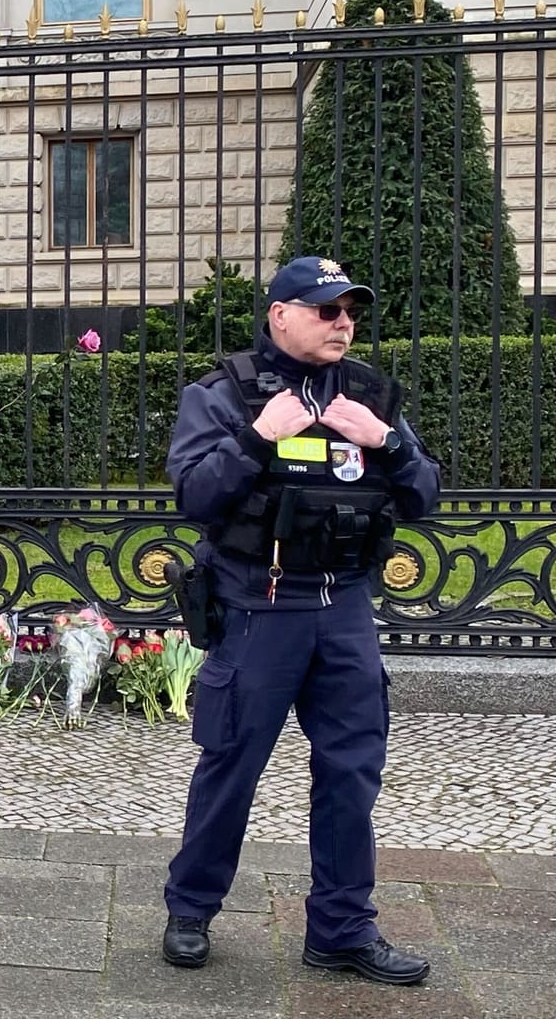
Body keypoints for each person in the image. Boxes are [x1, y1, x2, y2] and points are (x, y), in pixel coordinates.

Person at [159, 255, 441, 985]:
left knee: (352, 772)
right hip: (260, 608)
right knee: (232, 767)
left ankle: (343, 930)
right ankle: (190, 910)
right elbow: (194, 495)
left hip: (344, 609)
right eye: (327, 310)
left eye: (350, 311)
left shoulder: (370, 395)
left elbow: (424, 497)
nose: (343, 323)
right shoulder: (222, 394)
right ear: (280, 314)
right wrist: (258, 437)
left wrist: (390, 442)